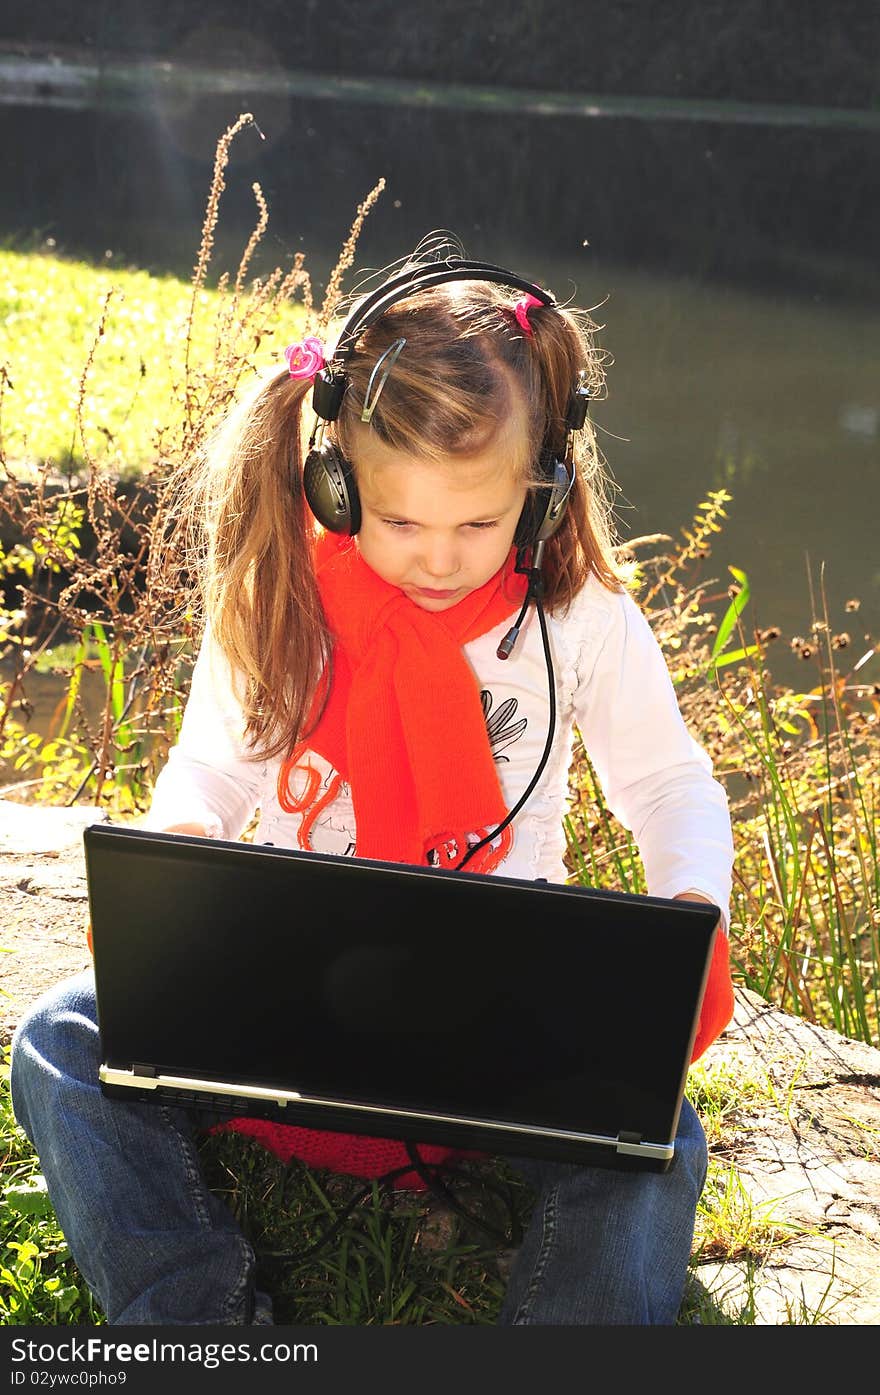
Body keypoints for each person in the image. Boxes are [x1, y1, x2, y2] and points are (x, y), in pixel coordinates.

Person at [10, 251, 735, 1326]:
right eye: (400, 523)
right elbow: (216, 763)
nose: (440, 559)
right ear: (334, 478)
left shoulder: (581, 622)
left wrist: (690, 901)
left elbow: (670, 783)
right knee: (59, 1038)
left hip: (504, 1042)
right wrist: (181, 848)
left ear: (545, 491)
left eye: (479, 525)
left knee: (658, 1130)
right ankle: (194, 1318)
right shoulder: (283, 597)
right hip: (289, 1015)